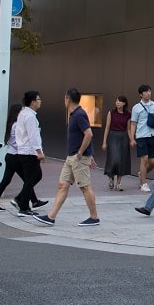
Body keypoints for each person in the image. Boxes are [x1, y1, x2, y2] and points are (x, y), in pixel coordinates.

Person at [32, 88, 101, 227]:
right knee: (62, 185)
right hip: (71, 157)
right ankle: (51, 217)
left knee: (85, 187)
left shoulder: (79, 114)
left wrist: (82, 153)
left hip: (78, 157)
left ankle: (94, 217)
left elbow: (89, 134)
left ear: (67, 99)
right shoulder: (74, 114)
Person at [12, 91, 45, 217]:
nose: (40, 101)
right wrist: (39, 151)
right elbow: (33, 135)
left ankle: (21, 199)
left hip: (24, 151)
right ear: (32, 102)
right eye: (38, 99)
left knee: (34, 177)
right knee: (31, 178)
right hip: (29, 152)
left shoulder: (23, 114)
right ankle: (23, 207)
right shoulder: (30, 116)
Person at [128, 84, 154, 192]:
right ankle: (144, 183)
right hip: (141, 135)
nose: (148, 93)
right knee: (144, 160)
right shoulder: (136, 108)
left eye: (149, 91)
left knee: (153, 162)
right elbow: (133, 124)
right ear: (141, 94)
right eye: (146, 92)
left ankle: (141, 174)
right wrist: (132, 138)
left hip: (153, 135)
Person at [102, 95, 132, 190]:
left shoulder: (128, 114)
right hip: (113, 136)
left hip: (123, 137)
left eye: (120, 101)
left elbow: (128, 129)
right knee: (114, 159)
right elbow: (107, 128)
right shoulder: (111, 113)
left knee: (122, 160)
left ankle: (118, 183)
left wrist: (131, 139)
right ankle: (111, 178)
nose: (117, 103)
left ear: (124, 103)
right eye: (116, 101)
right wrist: (104, 142)